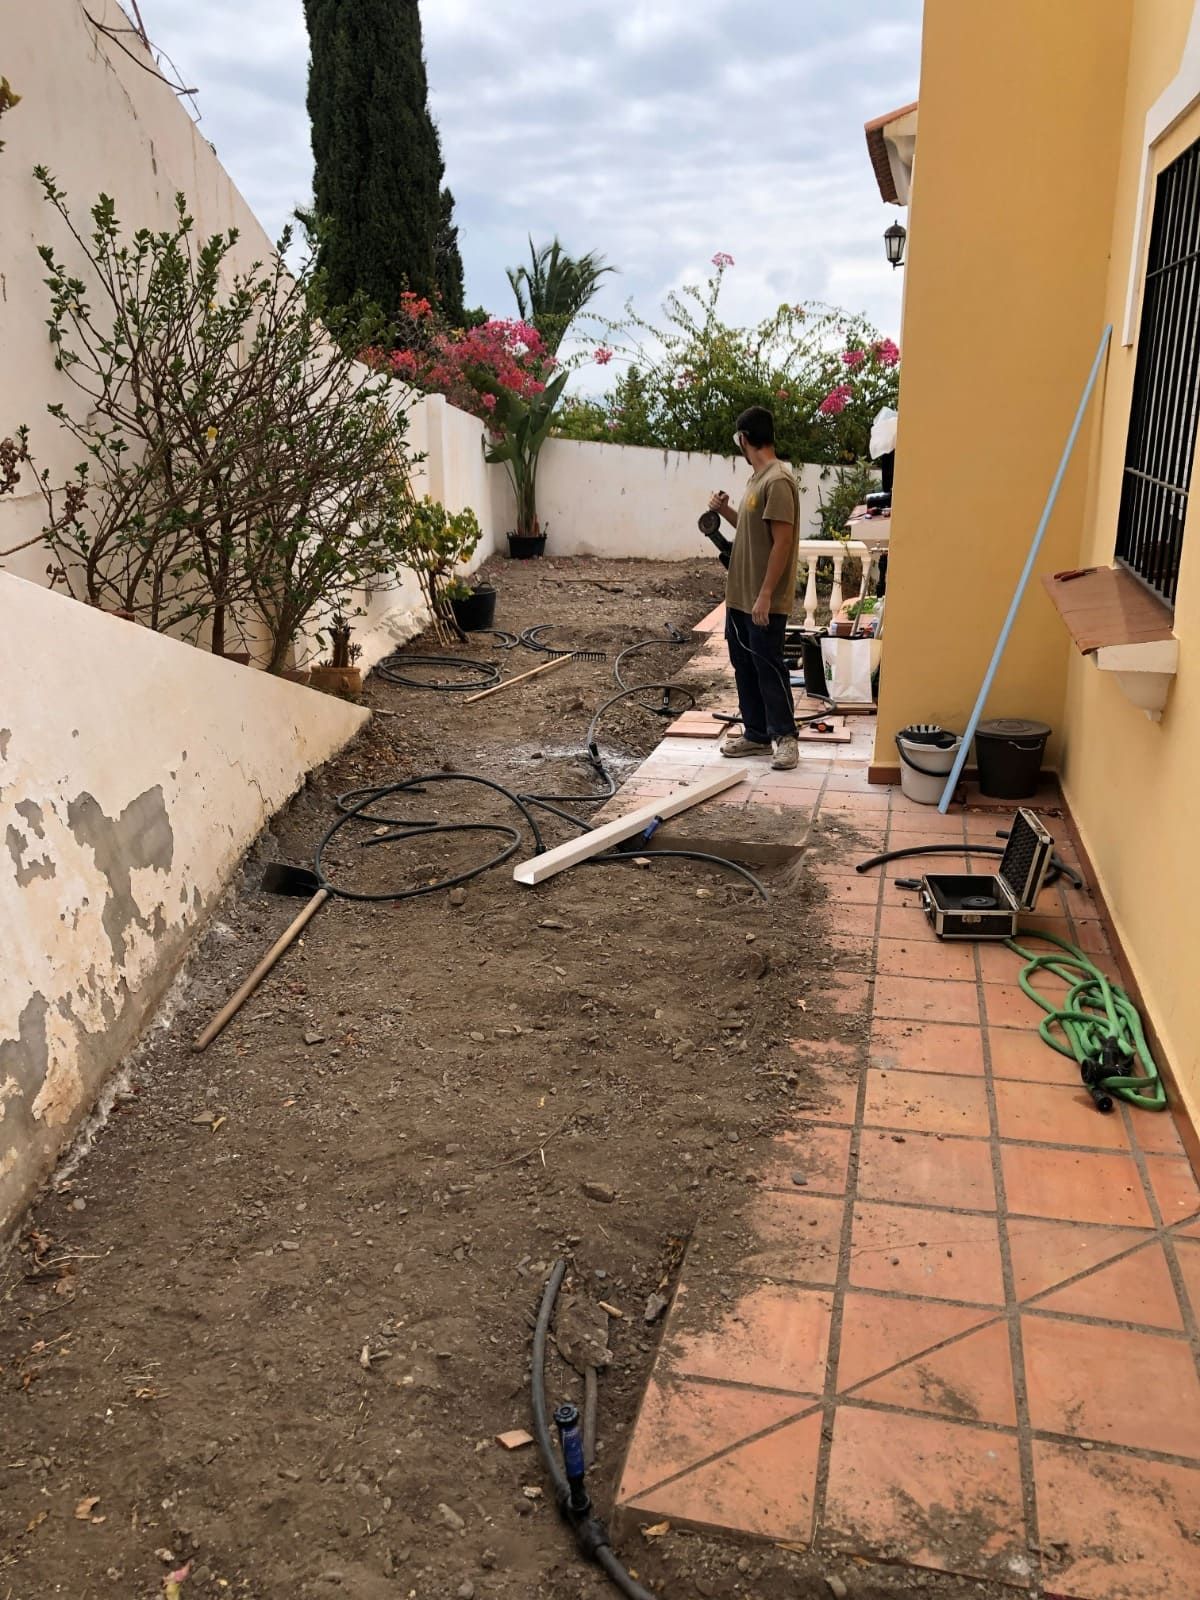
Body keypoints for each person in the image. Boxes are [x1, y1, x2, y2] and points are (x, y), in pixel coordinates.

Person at [708, 406, 800, 769]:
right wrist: (727, 510)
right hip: (740, 596)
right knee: (743, 665)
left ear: (744, 439)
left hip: (763, 599)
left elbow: (782, 541)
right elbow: (751, 529)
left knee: (769, 666)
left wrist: (765, 595)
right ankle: (757, 735)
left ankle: (786, 738)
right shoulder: (757, 480)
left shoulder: (778, 480)